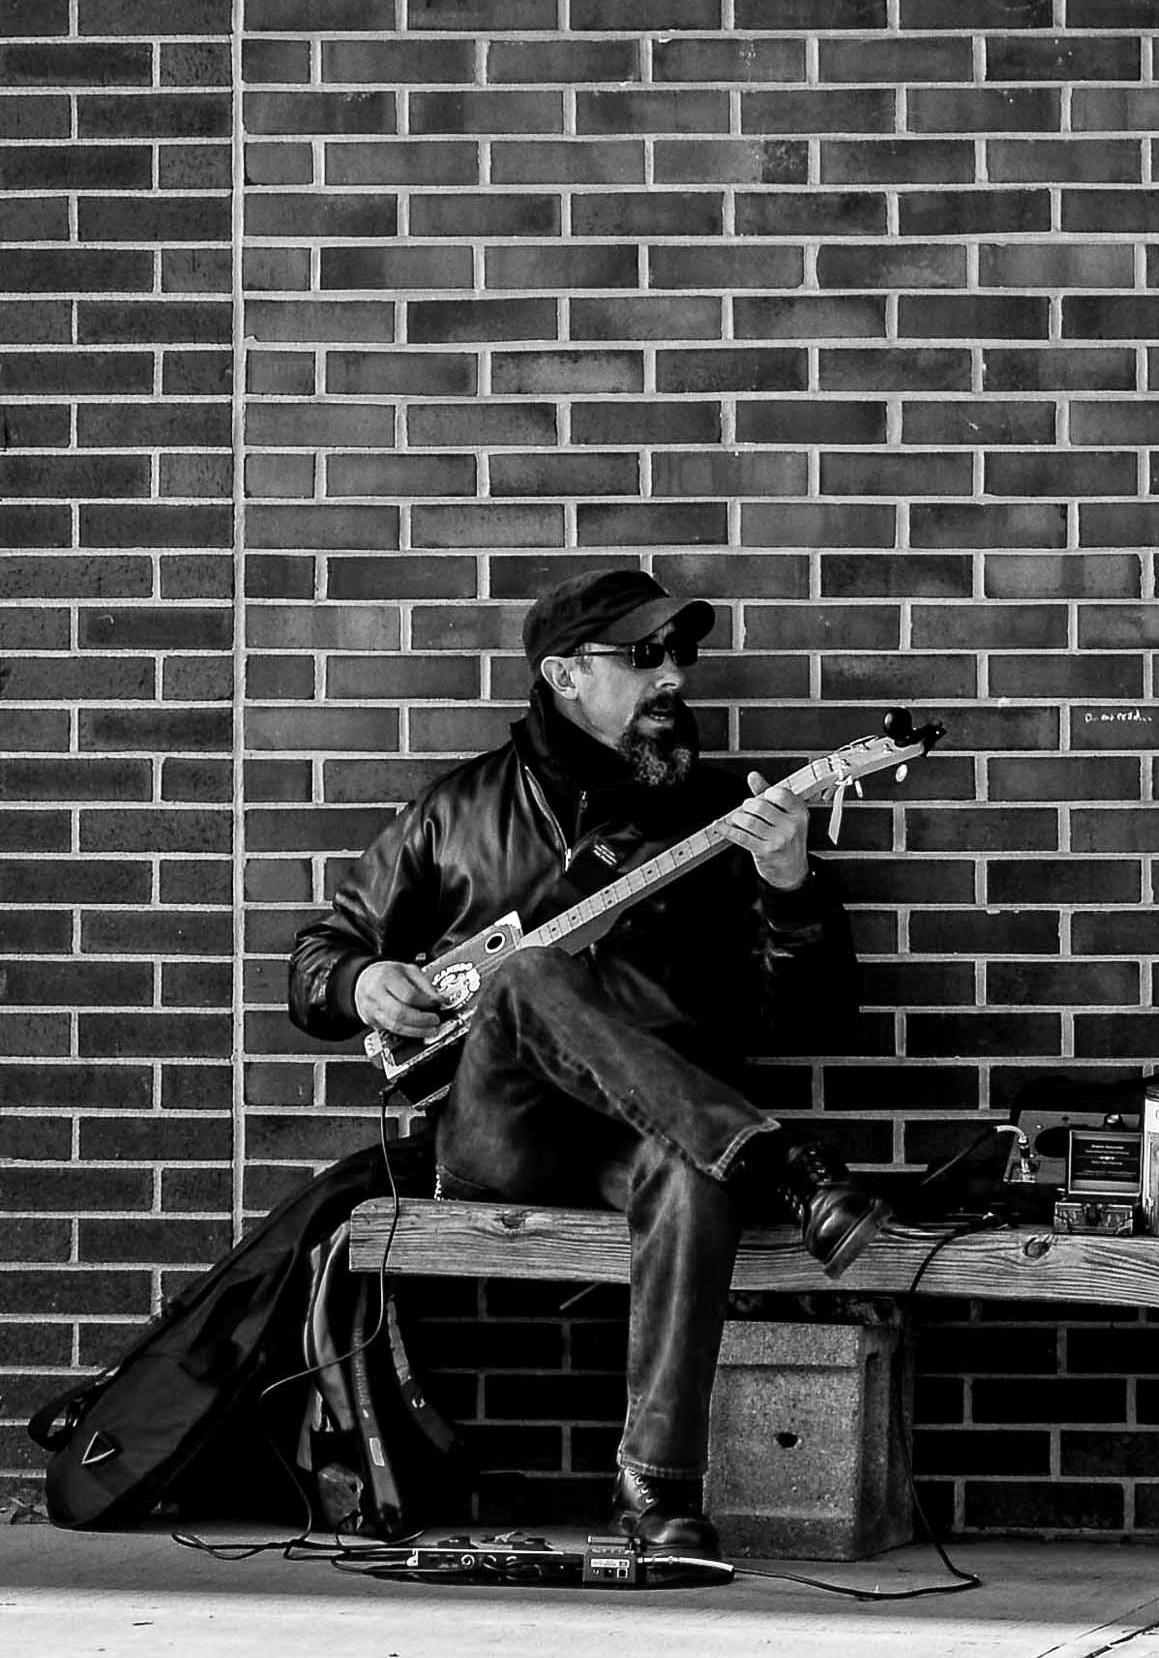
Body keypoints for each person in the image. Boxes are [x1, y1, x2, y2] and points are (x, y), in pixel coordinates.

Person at [289, 566, 888, 1565]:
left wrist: (789, 884)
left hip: (651, 1131)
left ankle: (658, 1490)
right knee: (526, 977)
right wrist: (362, 982)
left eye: (677, 655)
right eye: (643, 655)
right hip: (499, 1131)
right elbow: (317, 954)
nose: (672, 678)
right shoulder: (458, 809)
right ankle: (778, 1158)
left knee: (693, 1173)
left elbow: (816, 1012)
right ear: (565, 674)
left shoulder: (713, 814)